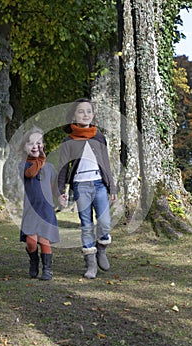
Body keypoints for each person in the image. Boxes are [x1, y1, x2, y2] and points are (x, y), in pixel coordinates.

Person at [58, 98, 117, 279]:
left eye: (88, 112)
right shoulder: (68, 141)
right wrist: (62, 191)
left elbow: (106, 164)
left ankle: (101, 249)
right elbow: (63, 168)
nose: (85, 115)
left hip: (99, 184)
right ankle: (90, 264)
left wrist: (111, 187)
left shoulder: (99, 137)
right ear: (74, 116)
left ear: (93, 116)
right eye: (81, 111)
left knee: (105, 222)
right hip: (80, 186)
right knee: (86, 224)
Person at [19, 127, 60, 280]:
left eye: (39, 143)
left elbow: (54, 188)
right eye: (30, 143)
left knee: (44, 241)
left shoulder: (50, 168)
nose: (35, 146)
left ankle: (47, 270)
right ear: (25, 147)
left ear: (43, 145)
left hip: (46, 211)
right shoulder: (23, 165)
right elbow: (31, 173)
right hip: (31, 211)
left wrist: (60, 196)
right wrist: (41, 159)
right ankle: (34, 261)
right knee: (31, 242)